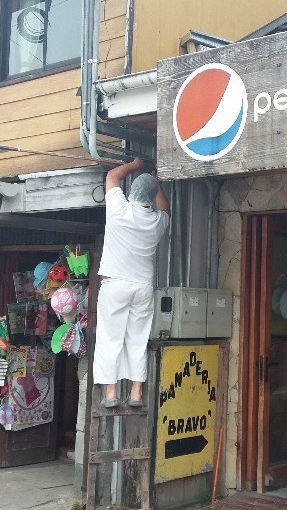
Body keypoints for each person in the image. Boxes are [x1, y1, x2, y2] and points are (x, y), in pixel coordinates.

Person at [94, 157, 170, 407]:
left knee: (110, 337)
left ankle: (112, 393)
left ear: (132, 194)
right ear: (151, 197)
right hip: (142, 287)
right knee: (137, 338)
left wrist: (136, 164)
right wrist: (155, 182)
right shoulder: (157, 222)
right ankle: (136, 393)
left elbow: (113, 177)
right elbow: (165, 208)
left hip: (116, 284)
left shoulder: (119, 210)